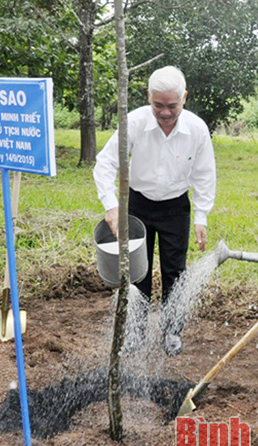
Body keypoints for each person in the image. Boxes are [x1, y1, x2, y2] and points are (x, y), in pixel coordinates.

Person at [93, 66, 216, 356]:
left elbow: (204, 175)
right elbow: (105, 163)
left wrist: (201, 217)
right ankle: (134, 333)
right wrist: (111, 206)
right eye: (157, 105)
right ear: (148, 97)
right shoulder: (133, 123)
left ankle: (172, 331)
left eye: (172, 106)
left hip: (176, 207)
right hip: (138, 205)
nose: (164, 113)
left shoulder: (197, 129)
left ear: (184, 98)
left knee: (175, 271)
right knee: (138, 272)